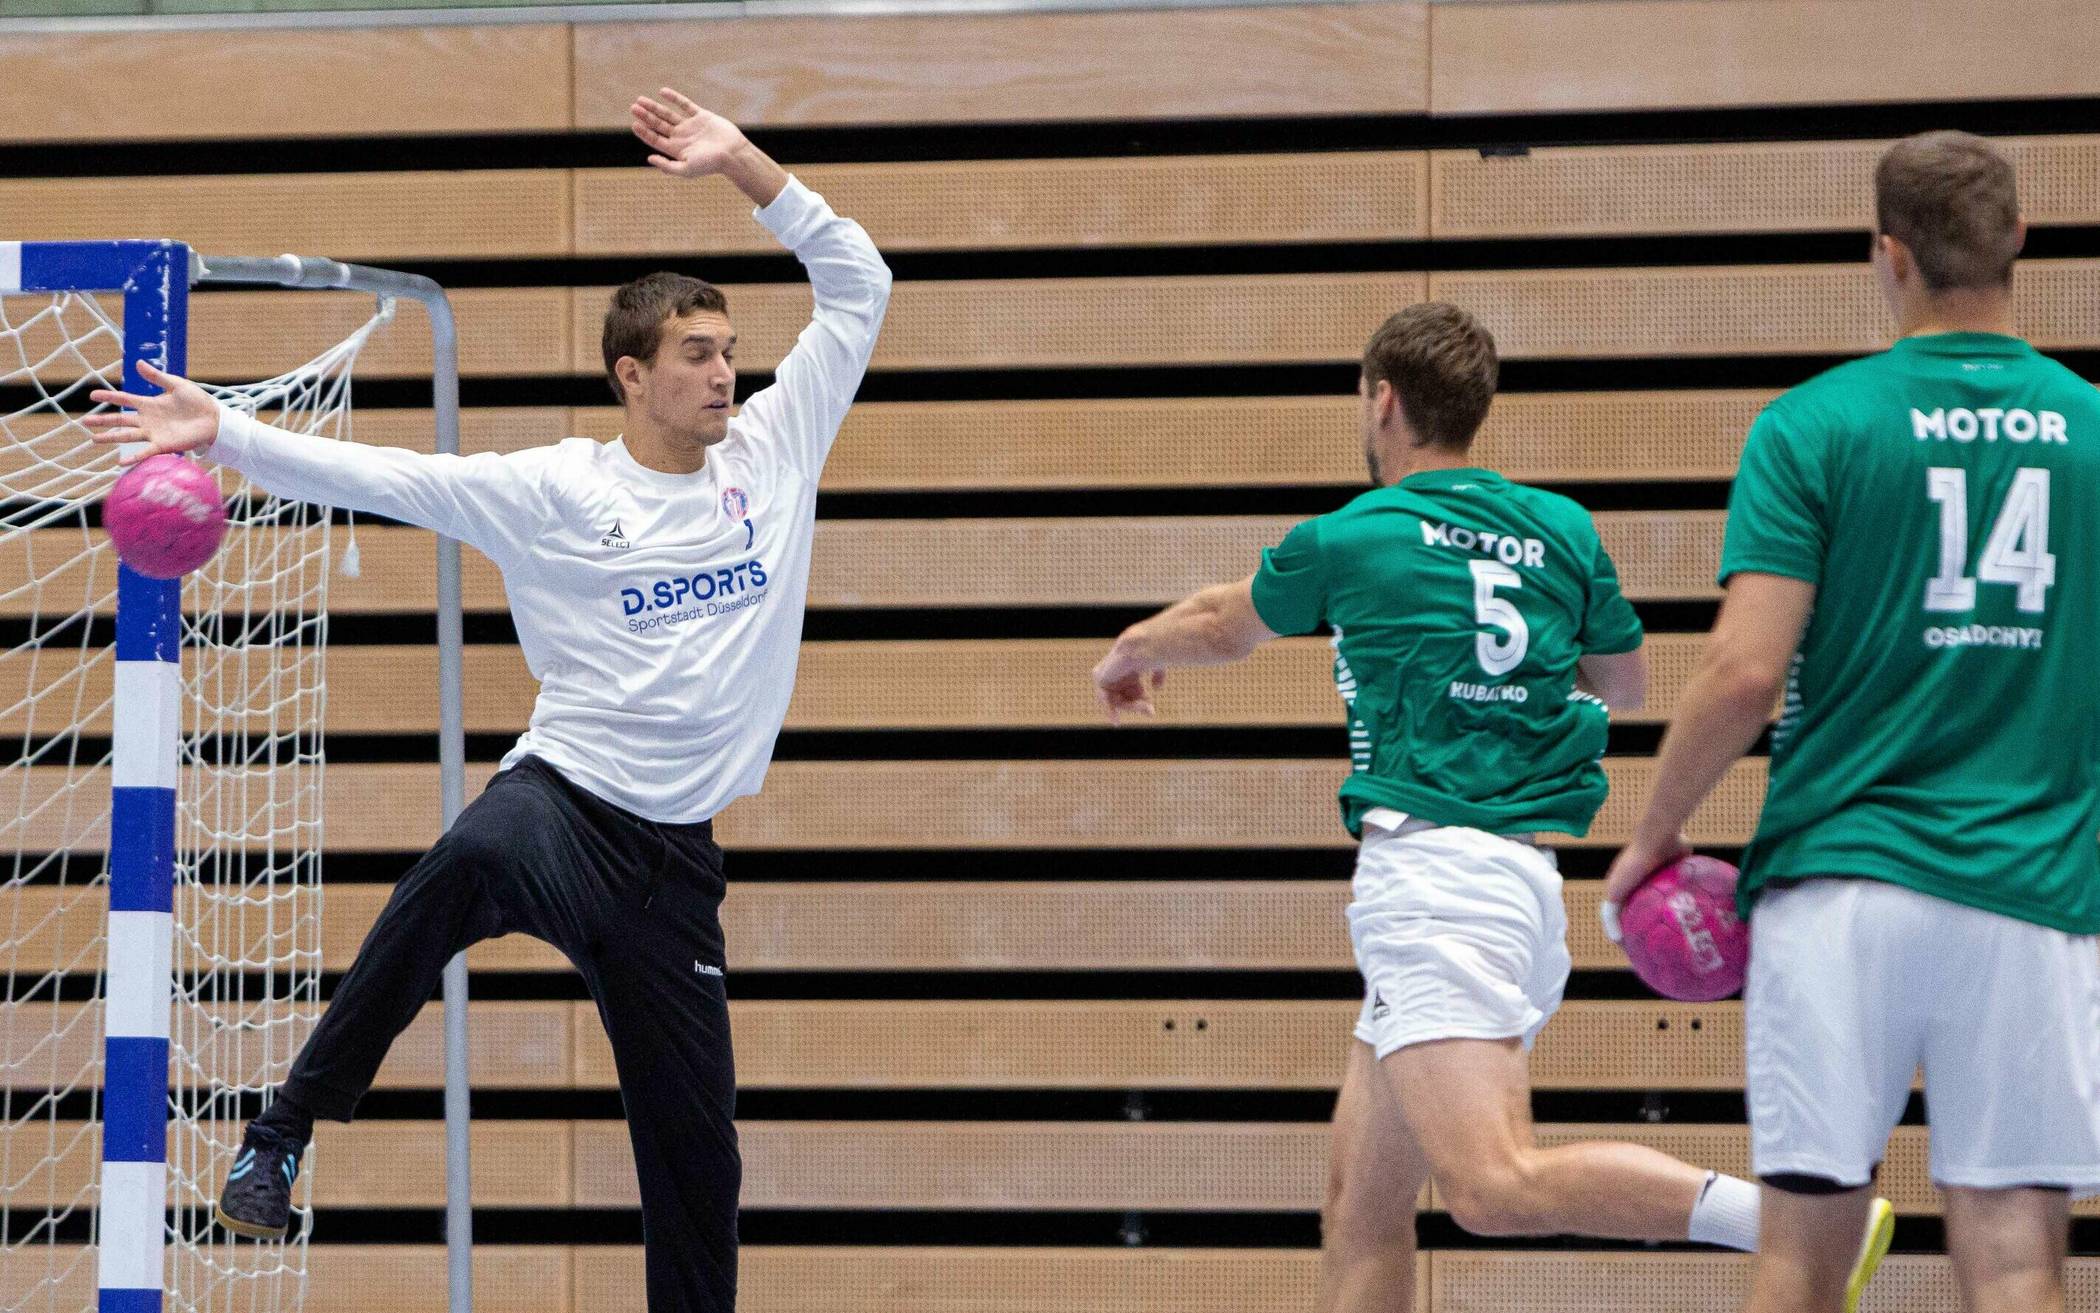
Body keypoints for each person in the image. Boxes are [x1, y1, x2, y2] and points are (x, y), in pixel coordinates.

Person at [86, 88, 891, 1313]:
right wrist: (230, 435)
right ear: (634, 374)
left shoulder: (777, 449)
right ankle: (286, 1128)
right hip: (565, 799)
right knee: (463, 861)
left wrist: (745, 168)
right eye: (698, 352)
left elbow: (861, 281)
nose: (728, 370)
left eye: (730, 348)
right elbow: (397, 475)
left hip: (675, 862)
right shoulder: (556, 490)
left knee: (698, 1159)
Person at [1090, 303, 1893, 1313]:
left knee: (1490, 1184)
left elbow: (1220, 621)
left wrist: (1131, 647)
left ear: (1383, 399)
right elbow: (1626, 681)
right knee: (1361, 1205)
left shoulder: (1356, 532)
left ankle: (1803, 1220)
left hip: (1435, 885)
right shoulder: (1558, 529)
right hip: (1509, 880)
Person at [1603, 130, 2100, 1313]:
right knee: (2019, 1259)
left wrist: (1651, 833)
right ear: (2019, 240)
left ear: (1888, 255)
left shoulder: (1814, 424)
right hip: (2029, 892)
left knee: (1802, 1260)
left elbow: (1741, 672)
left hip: (1840, 891)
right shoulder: (2091, 425)